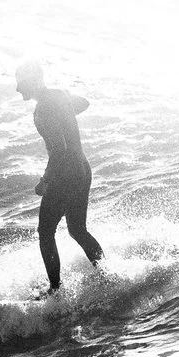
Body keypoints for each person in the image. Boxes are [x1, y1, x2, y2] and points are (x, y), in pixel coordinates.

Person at [16, 64, 104, 294]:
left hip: (65, 177)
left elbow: (59, 149)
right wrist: (64, 113)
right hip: (82, 170)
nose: (17, 88)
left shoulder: (43, 109)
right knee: (77, 229)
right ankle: (106, 274)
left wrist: (45, 180)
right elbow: (84, 102)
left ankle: (55, 291)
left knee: (45, 234)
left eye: (21, 82)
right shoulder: (59, 95)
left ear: (34, 81)